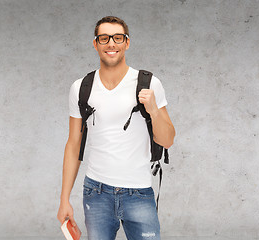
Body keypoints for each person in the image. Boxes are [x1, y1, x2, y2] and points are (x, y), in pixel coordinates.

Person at [57, 16, 175, 240]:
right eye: (104, 38)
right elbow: (73, 145)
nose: (111, 44)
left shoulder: (149, 83)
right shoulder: (81, 87)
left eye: (117, 38)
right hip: (96, 193)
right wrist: (64, 199)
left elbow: (167, 140)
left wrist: (154, 109)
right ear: (96, 44)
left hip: (139, 193)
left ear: (126, 43)